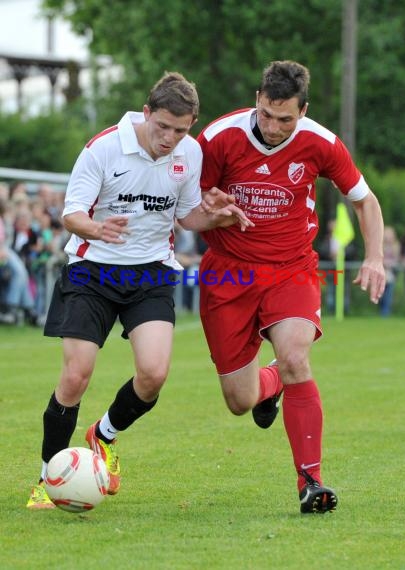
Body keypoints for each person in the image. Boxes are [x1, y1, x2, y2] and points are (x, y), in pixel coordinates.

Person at [27, 71, 252, 509]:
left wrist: (223, 216)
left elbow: (188, 217)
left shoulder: (189, 153)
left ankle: (103, 434)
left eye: (181, 130)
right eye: (162, 126)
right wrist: (98, 228)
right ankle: (46, 477)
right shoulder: (104, 148)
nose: (169, 138)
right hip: (92, 271)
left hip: (150, 273)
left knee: (154, 375)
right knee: (75, 377)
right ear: (146, 113)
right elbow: (72, 215)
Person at [197, 60, 385, 514]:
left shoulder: (321, 142)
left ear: (304, 110)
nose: (274, 126)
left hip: (291, 268)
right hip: (229, 272)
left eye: (286, 118)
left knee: (297, 357)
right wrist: (213, 210)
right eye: (266, 114)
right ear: (258, 99)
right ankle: (271, 381)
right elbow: (189, 207)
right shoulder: (218, 137)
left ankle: (311, 482)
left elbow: (366, 201)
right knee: (240, 401)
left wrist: (375, 257)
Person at [379, 226, 400, 317]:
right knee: (380, 296)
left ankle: (385, 314)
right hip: (381, 274)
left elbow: (397, 259)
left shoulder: (396, 246)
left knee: (388, 296)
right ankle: (382, 311)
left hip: (391, 275)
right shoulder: (380, 245)